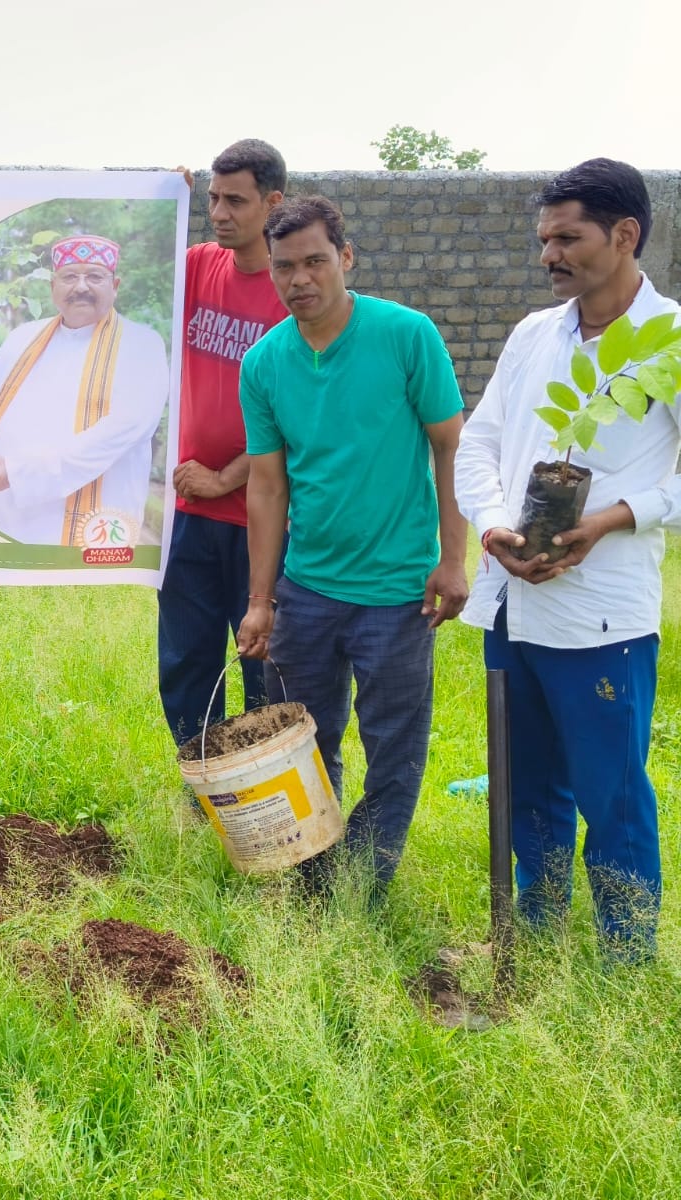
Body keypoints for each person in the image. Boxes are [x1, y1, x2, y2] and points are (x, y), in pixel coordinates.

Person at [454, 159, 679, 961]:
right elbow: (479, 443)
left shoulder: (670, 342)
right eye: (543, 239)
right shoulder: (532, 336)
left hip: (602, 618)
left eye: (567, 238)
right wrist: (489, 525)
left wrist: (617, 516)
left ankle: (625, 960)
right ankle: (535, 936)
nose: (549, 255)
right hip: (513, 605)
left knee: (611, 794)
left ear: (624, 236)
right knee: (525, 788)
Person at [236, 195, 468, 894]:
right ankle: (315, 884)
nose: (301, 278)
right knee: (305, 745)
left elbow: (452, 446)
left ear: (346, 258)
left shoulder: (406, 335)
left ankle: (363, 889)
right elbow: (268, 488)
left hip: (399, 594)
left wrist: (452, 559)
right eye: (285, 267)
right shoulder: (265, 362)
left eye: (315, 261)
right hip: (305, 591)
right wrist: (260, 602)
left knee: (394, 752)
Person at [158, 139, 289, 747]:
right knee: (186, 660)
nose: (219, 212)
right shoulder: (200, 266)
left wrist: (224, 477)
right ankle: (203, 787)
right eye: (212, 198)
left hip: (261, 515)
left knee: (268, 665)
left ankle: (274, 797)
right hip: (188, 511)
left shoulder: (292, 294)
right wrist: (163, 205)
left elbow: (295, 416)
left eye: (235, 200)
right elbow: (137, 281)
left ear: (273, 203)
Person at [0, 234, 169, 546]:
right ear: (52, 287)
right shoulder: (22, 337)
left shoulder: (141, 345)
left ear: (116, 285)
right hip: (4, 515)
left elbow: (122, 430)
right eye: (70, 276)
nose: (81, 287)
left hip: (86, 525)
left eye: (95, 276)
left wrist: (20, 473)